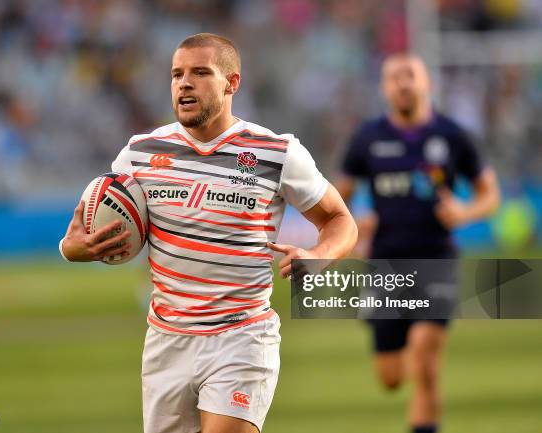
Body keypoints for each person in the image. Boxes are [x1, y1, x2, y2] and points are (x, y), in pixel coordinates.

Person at [60, 33, 357, 433]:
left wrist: (319, 256)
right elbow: (87, 229)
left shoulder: (275, 152)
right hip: (167, 340)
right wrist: (71, 248)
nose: (185, 83)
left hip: (242, 334)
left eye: (200, 73)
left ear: (231, 83)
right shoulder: (140, 152)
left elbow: (340, 220)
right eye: (177, 74)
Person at [335, 53, 500, 433]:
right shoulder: (367, 138)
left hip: (436, 259)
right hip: (386, 265)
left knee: (425, 363)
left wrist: (466, 211)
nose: (403, 83)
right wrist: (353, 225)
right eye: (394, 77)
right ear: (384, 88)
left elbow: (489, 195)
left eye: (410, 75)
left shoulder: (453, 136)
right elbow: (335, 197)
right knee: (391, 378)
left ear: (427, 83)